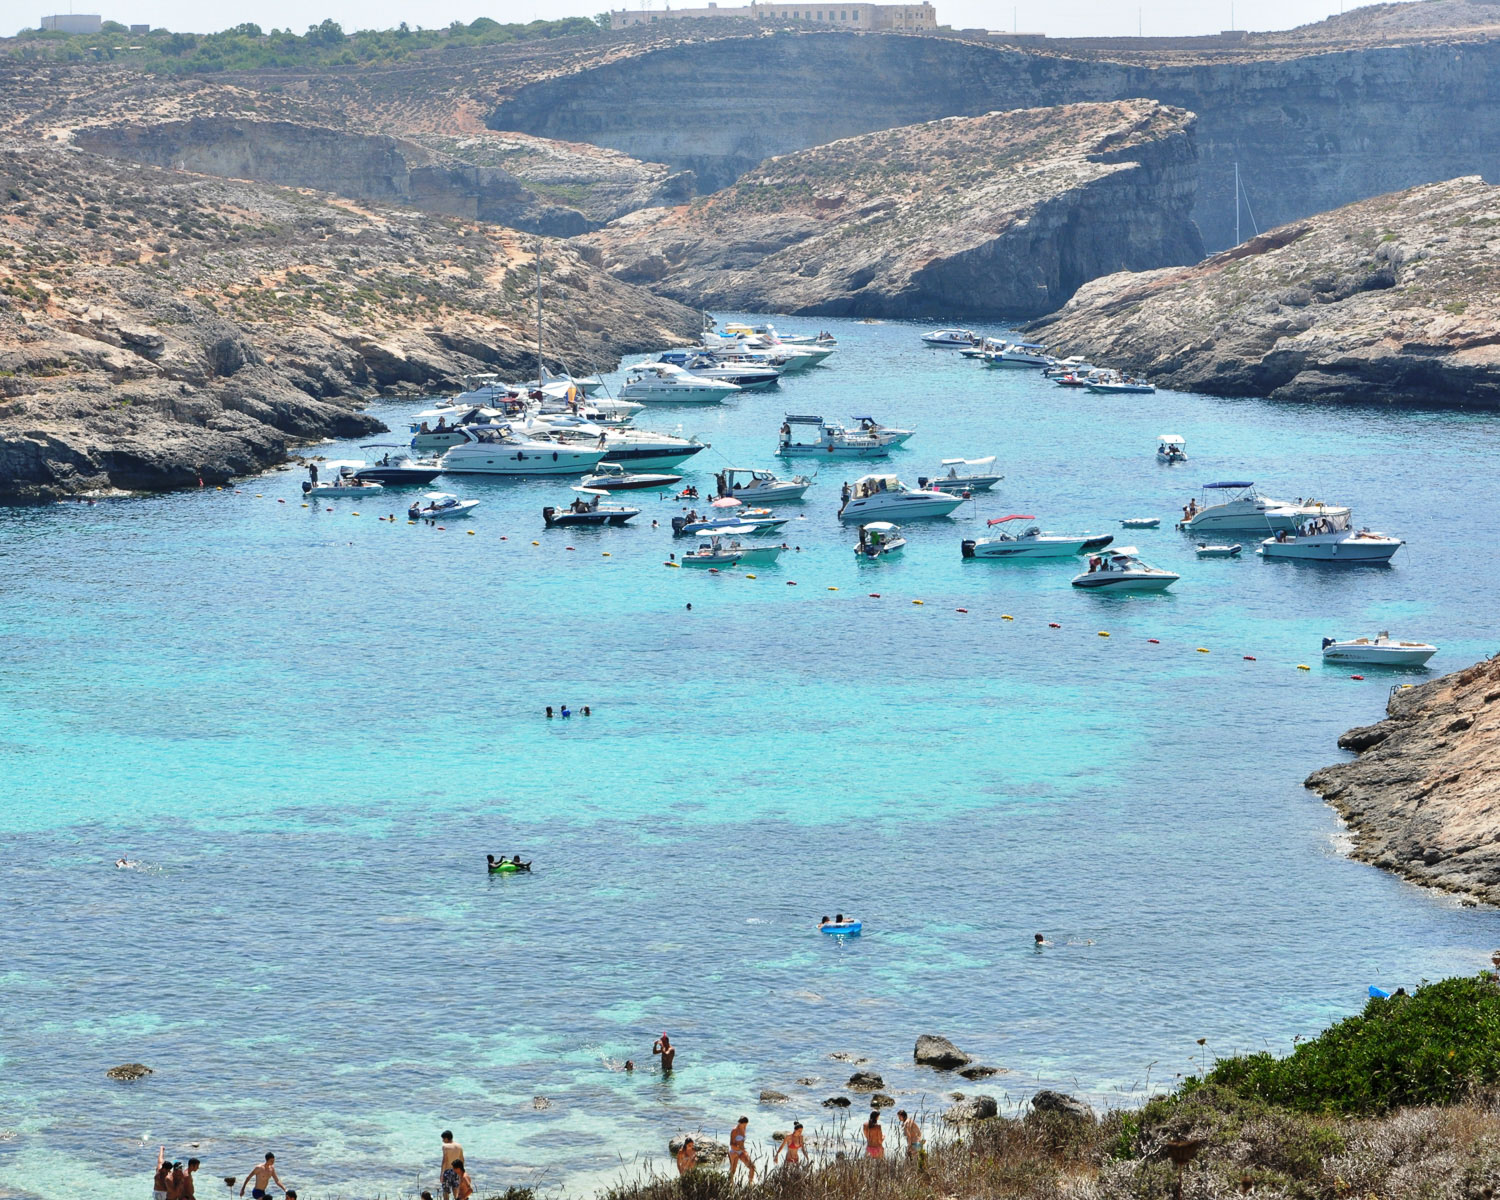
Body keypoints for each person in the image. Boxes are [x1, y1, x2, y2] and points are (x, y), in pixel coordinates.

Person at [728, 1116, 755, 1183]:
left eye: (746, 1124)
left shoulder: (744, 1128)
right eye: (744, 1124)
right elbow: (731, 1144)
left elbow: (742, 1141)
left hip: (742, 1151)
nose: (745, 1126)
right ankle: (730, 1185)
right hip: (734, 1152)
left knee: (752, 1167)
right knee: (733, 1170)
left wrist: (743, 1150)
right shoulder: (734, 1130)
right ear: (741, 1123)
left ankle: (750, 1184)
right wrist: (740, 1148)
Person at [440, 1131, 464, 1200]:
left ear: (447, 1138)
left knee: (446, 1191)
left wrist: (442, 1173)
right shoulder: (459, 1146)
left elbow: (445, 1160)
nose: (443, 1141)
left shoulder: (445, 1146)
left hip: (447, 1171)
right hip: (456, 1171)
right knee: (456, 1190)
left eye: (443, 1139)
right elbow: (462, 1159)